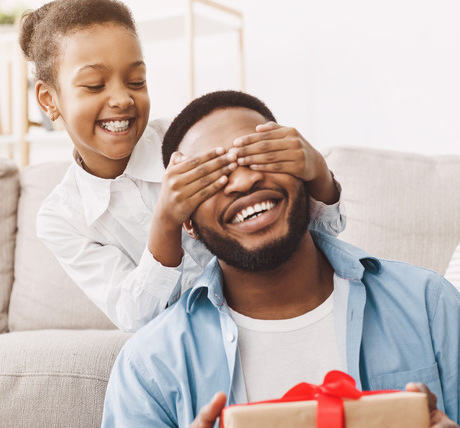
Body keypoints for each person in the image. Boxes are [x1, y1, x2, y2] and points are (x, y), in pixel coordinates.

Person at [100, 91, 460, 428]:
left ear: (303, 171)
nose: (245, 179)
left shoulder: (427, 305)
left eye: (262, 156)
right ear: (188, 224)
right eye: (210, 177)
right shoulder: (149, 367)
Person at [19, 0, 345, 332]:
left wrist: (317, 172)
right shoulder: (61, 218)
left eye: (136, 81)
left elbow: (321, 233)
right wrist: (167, 220)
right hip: (189, 341)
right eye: (94, 85)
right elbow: (135, 318)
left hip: (273, 310)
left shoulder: (189, 140)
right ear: (49, 100)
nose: (122, 99)